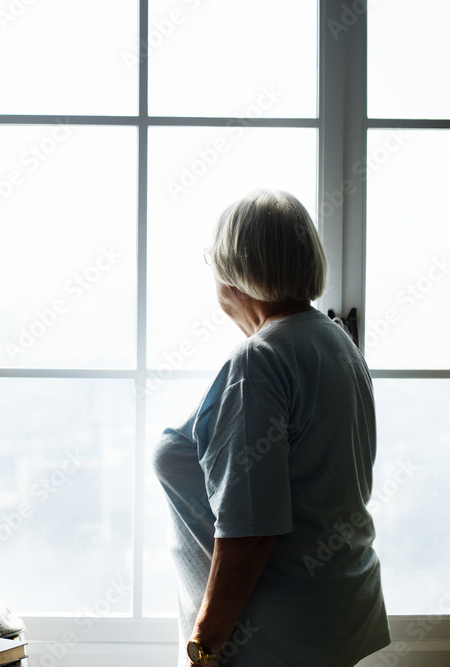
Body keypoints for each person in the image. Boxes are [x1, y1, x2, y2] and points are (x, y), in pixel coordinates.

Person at [152, 190, 390, 666]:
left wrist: (204, 645)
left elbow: (250, 528)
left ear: (231, 271)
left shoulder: (260, 360)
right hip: (332, 617)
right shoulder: (335, 341)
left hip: (269, 641)